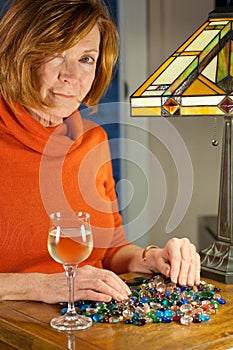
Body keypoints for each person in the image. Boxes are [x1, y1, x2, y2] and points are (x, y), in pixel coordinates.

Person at [0, 0, 200, 304]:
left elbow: (110, 250)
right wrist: (40, 286)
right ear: (18, 54)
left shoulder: (94, 140)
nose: (72, 76)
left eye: (86, 59)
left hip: (92, 331)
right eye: (55, 54)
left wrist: (152, 258)